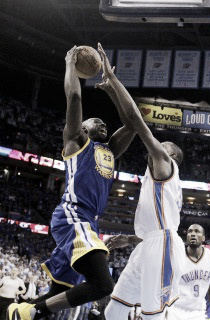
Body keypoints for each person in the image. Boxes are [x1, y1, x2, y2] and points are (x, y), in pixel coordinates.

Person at [7, 44, 137, 320]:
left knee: (58, 293)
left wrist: (113, 84)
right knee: (102, 285)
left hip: (88, 221)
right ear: (82, 127)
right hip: (72, 215)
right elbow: (75, 99)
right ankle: (30, 311)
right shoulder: (76, 141)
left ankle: (17, 312)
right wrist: (70, 64)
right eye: (94, 120)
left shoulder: (110, 150)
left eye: (103, 121)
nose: (101, 121)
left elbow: (133, 122)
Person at [97, 42, 185, 320]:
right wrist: (131, 238)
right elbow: (157, 223)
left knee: (152, 315)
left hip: (162, 247)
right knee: (114, 311)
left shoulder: (164, 163)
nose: (158, 145)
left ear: (170, 155)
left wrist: (113, 82)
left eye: (164, 144)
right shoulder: (159, 175)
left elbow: (136, 118)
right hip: (148, 243)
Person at [168, 224, 210, 320]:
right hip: (175, 310)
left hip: (198, 312)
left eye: (197, 231)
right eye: (190, 231)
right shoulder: (176, 256)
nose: (193, 234)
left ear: (203, 238)